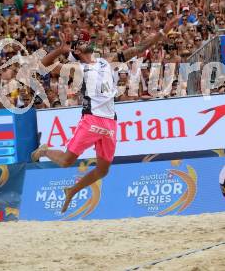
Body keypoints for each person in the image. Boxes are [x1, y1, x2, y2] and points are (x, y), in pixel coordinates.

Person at [31, 16, 179, 213]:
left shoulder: (106, 62)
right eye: (82, 41)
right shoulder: (76, 69)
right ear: (76, 50)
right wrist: (59, 49)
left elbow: (139, 48)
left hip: (110, 122)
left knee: (103, 169)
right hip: (92, 119)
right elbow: (42, 67)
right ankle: (44, 151)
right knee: (67, 161)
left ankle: (72, 191)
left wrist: (162, 32)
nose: (87, 41)